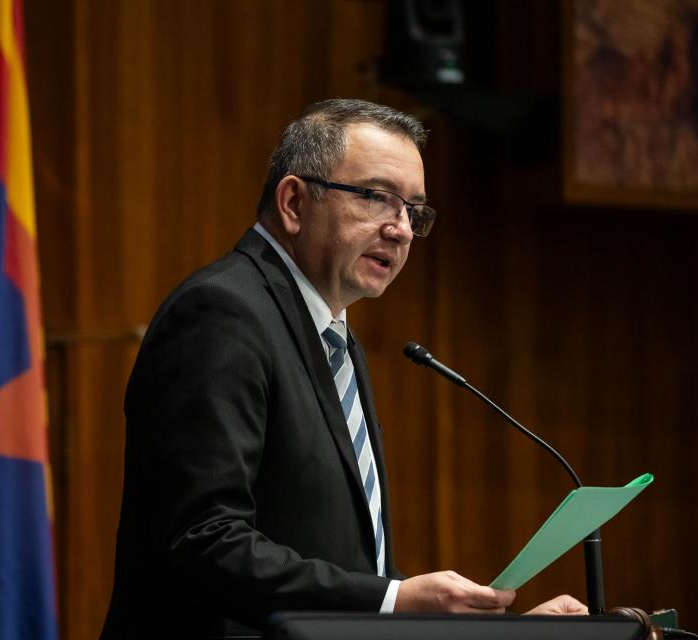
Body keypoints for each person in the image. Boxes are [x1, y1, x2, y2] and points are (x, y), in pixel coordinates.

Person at [101, 99, 586, 639]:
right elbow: (203, 540)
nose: (401, 230)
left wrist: (498, 633)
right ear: (293, 202)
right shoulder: (223, 314)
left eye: (413, 211)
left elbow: (348, 573)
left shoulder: (334, 339)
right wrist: (395, 600)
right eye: (377, 198)